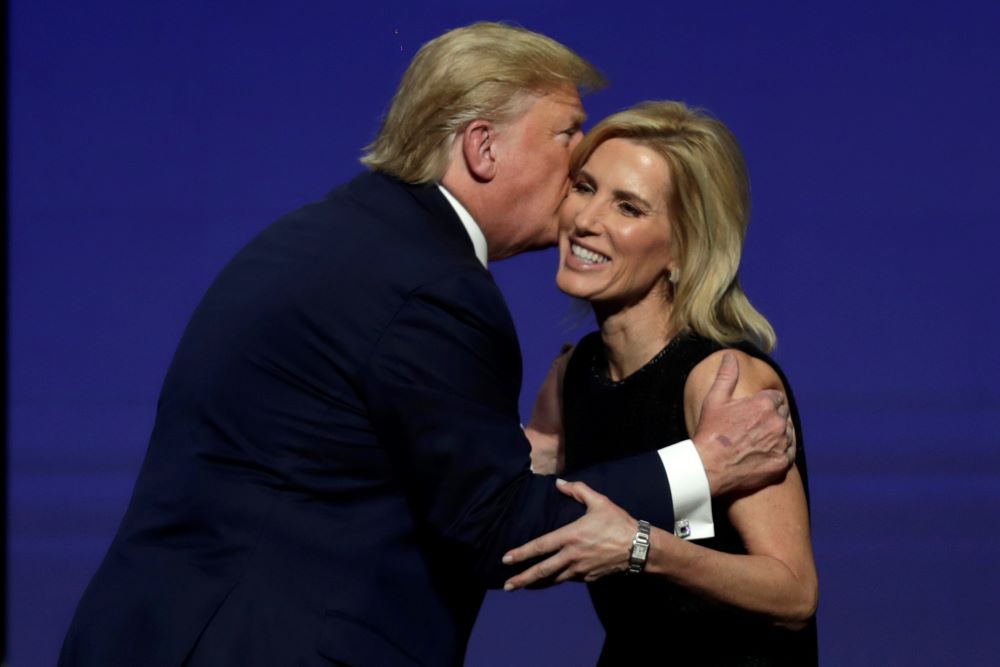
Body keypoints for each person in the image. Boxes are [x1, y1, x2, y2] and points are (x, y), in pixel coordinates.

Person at [59, 26, 795, 667]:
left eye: (626, 203)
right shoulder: (434, 289)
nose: (578, 174)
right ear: (482, 147)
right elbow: (495, 524)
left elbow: (792, 588)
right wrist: (704, 464)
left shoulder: (344, 235)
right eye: (569, 135)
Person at [505, 101, 818, 665]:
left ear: (683, 250)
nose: (585, 219)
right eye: (584, 187)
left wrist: (642, 549)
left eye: (627, 207)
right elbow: (515, 515)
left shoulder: (725, 380)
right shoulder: (571, 373)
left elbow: (793, 591)